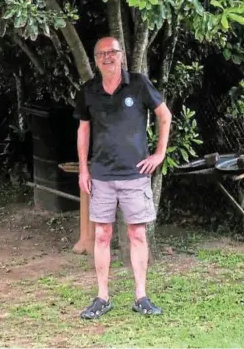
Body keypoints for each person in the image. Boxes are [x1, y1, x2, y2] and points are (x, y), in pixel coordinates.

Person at [73, 36, 172, 319]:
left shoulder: (139, 84)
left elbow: (164, 116)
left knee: (137, 234)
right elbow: (83, 130)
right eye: (102, 53)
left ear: (121, 55)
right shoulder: (88, 91)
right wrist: (83, 168)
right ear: (95, 60)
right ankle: (102, 297)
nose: (108, 57)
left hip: (135, 175)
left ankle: (141, 296)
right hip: (101, 175)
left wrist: (159, 153)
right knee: (102, 235)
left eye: (112, 52)